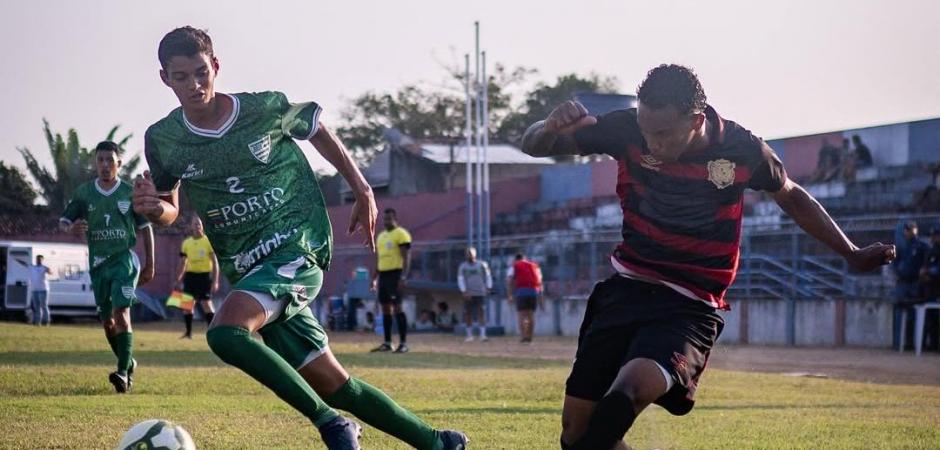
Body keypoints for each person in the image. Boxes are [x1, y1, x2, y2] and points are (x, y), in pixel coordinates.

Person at [521, 63, 895, 450]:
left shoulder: (742, 149)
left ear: (696, 120)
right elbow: (534, 145)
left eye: (662, 134)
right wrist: (549, 127)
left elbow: (793, 197)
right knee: (576, 438)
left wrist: (850, 252)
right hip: (625, 292)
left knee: (622, 399)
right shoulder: (626, 128)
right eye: (646, 131)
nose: (651, 143)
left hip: (688, 306)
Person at [133, 27, 465, 450]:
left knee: (225, 333)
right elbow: (170, 208)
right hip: (250, 272)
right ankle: (438, 443)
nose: (195, 85)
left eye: (202, 72)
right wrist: (152, 208)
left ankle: (331, 424)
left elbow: (317, 128)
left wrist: (362, 188)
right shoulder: (162, 139)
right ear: (165, 78)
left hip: (298, 249)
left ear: (215, 66)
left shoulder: (264, 108)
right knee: (336, 385)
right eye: (182, 77)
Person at [60, 140, 155, 393]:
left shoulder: (128, 193)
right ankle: (128, 361)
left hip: (124, 261)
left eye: (109, 161)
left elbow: (146, 228)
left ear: (119, 163)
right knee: (108, 323)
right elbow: (64, 221)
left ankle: (122, 373)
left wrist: (150, 264)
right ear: (95, 163)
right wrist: (71, 228)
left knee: (121, 313)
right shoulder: (84, 193)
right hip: (98, 265)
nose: (104, 165)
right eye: (100, 160)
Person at [370, 208, 412, 353]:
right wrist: (374, 278)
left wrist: (404, 277)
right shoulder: (381, 237)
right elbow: (379, 259)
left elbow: (406, 257)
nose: (386, 221)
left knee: (398, 308)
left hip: (396, 275)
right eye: (384, 219)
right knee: (385, 308)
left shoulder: (401, 234)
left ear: (395, 219)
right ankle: (387, 343)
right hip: (383, 276)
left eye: (389, 219)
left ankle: (403, 343)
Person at [175, 216, 219, 339]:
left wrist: (215, 281)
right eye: (195, 224)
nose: (197, 226)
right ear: (191, 226)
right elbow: (183, 262)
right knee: (186, 305)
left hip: (204, 276)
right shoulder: (186, 243)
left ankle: (212, 331)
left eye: (199, 224)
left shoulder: (208, 241)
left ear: (202, 226)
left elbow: (215, 262)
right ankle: (188, 333)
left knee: (206, 303)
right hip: (190, 276)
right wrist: (178, 278)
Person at [506, 253, 543, 343]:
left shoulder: (514, 266)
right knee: (531, 315)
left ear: (516, 259)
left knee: (521, 315)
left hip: (521, 292)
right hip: (533, 292)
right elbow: (540, 281)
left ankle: (523, 337)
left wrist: (510, 294)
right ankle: (530, 337)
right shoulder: (534, 266)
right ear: (525, 258)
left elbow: (510, 280)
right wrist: (541, 297)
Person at [457, 246, 492, 342]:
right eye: (468, 254)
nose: (469, 256)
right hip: (469, 293)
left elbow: (488, 276)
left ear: (475, 254)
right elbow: (460, 279)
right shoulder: (463, 266)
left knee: (481, 312)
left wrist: (488, 287)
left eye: (471, 254)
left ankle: (483, 335)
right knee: (468, 314)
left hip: (480, 292)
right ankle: (469, 335)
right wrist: (464, 291)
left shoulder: (482, 264)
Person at [28, 255, 52, 326]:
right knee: (36, 307)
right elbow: (24, 264)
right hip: (34, 289)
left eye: (40, 259)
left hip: (43, 289)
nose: (38, 260)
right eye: (37, 259)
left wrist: (49, 270)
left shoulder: (44, 268)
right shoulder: (32, 267)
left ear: (42, 260)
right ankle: (38, 322)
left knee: (44, 305)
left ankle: (46, 321)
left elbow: (50, 272)